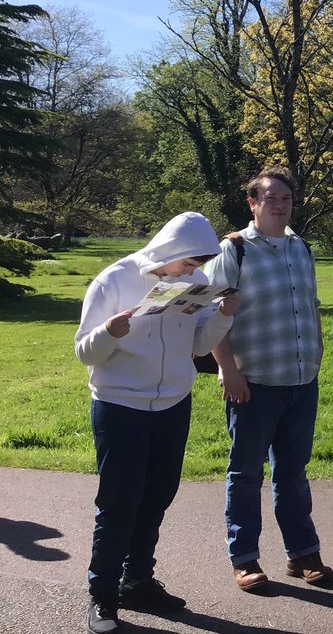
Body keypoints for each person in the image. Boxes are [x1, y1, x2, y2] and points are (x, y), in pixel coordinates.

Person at [76, 213, 240, 634]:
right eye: (188, 263)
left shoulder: (195, 282)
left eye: (198, 264)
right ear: (169, 251)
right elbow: (84, 353)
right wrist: (110, 332)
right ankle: (103, 596)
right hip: (120, 405)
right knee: (119, 503)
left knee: (156, 497)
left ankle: (138, 582)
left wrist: (222, 315)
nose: (193, 271)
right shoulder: (113, 281)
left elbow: (199, 347)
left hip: (172, 404)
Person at [205, 167, 332, 593]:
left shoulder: (302, 248)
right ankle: (244, 559)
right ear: (253, 203)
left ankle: (303, 554)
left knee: (293, 473)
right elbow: (212, 314)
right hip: (253, 384)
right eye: (270, 198)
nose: (279, 205)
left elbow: (310, 303)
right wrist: (228, 369)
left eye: (285, 198)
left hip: (300, 381)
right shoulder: (234, 249)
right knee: (245, 474)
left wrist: (315, 354)